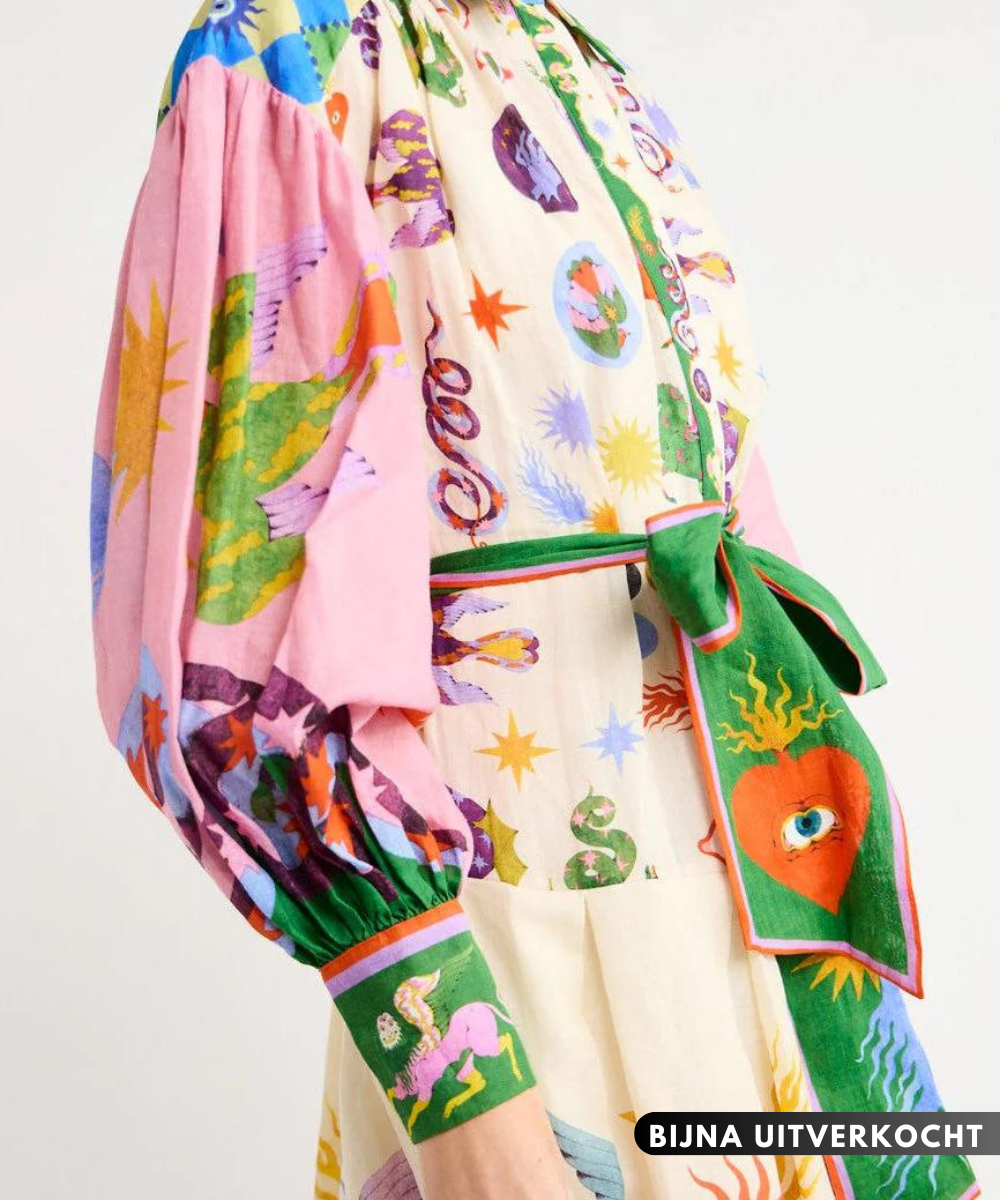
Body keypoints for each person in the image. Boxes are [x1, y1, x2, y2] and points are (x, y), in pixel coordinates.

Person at [88, 2, 980, 1198]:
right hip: (521, 988)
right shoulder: (289, 54)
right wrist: (473, 1123)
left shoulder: (575, 57)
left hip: (761, 946)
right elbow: (234, 644)